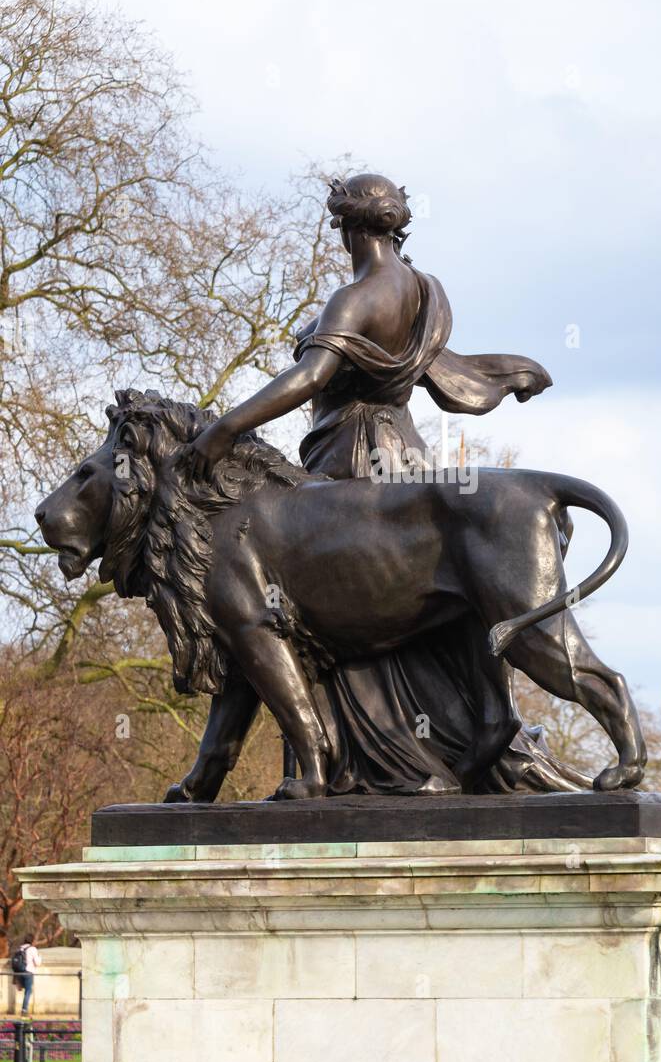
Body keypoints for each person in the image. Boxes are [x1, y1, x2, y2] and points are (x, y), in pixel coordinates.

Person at [180, 173, 588, 794]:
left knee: (325, 610)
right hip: (405, 458)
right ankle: (466, 735)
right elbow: (437, 370)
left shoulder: (354, 299)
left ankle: (366, 766)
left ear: (348, 229)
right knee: (434, 602)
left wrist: (224, 431)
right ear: (397, 225)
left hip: (350, 460)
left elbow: (312, 378)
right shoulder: (424, 291)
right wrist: (503, 372)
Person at [13, 935, 41, 1017]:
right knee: (28, 991)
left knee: (26, 991)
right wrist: (40, 957)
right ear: (32, 941)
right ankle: (24, 1010)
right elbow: (37, 963)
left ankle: (23, 1008)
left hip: (18, 972)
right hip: (28, 972)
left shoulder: (20, 948)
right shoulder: (32, 949)